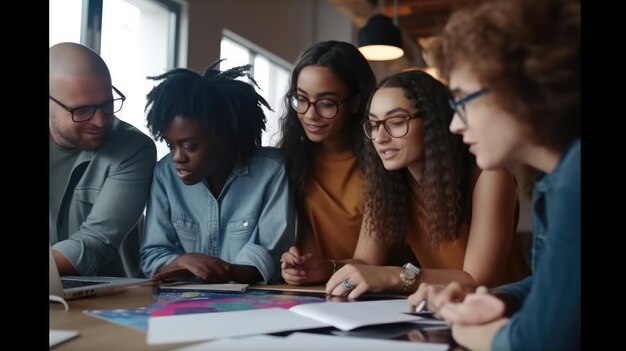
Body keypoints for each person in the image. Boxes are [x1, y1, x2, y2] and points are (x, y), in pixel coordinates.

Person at [407, 0, 580, 350]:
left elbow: (539, 343)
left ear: (524, 88)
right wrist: (501, 299)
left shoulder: (575, 180)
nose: (455, 124)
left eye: (462, 101)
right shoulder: (560, 177)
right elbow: (561, 283)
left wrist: (474, 335)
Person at [324, 70, 529, 299]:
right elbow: (365, 263)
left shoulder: (490, 176)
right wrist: (324, 268)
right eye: (373, 124)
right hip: (441, 311)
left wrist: (393, 276)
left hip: (506, 315)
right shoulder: (389, 183)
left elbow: (478, 279)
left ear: (433, 123)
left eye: (396, 122)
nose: (380, 137)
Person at [140, 62, 295, 284]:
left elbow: (273, 255)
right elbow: (153, 256)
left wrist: (223, 271)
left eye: (189, 146)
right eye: (170, 144)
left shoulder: (272, 170)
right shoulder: (165, 174)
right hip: (181, 306)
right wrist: (181, 262)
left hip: (252, 306)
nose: (177, 157)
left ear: (223, 139)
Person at [49, 42, 156, 277]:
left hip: (111, 301)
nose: (99, 121)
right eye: (82, 110)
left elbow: (95, 242)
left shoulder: (134, 149)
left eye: (107, 104)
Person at [278, 41, 379, 285]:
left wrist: (329, 268)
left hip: (379, 293)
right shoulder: (288, 161)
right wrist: (295, 264)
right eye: (301, 99)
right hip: (314, 291)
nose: (310, 114)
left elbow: (372, 262)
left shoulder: (381, 162)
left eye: (326, 103)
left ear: (355, 104)